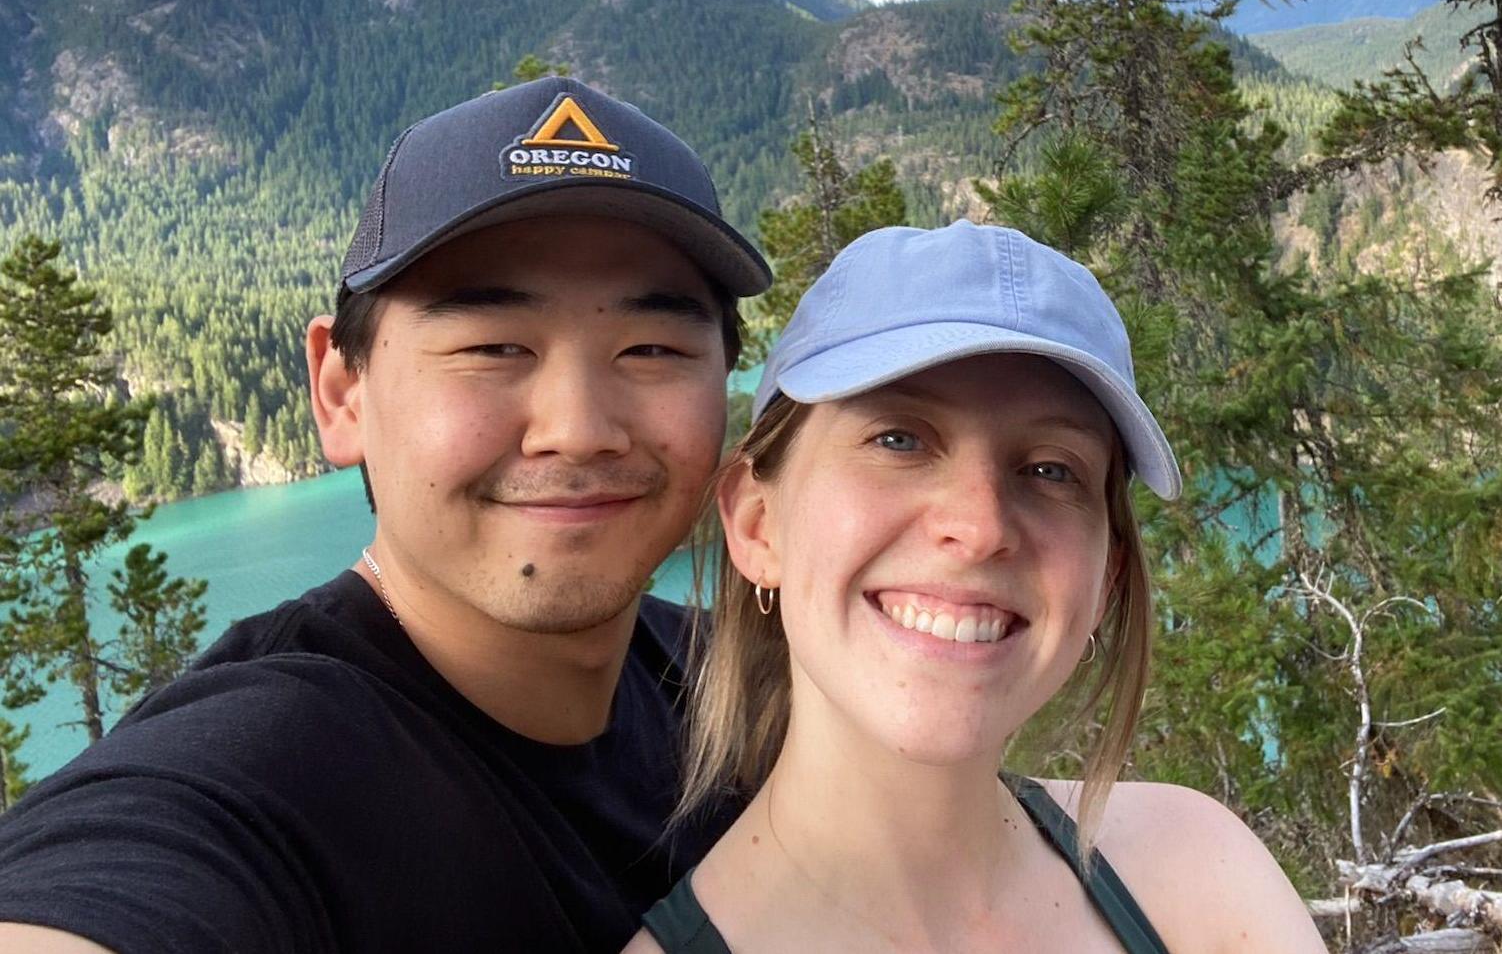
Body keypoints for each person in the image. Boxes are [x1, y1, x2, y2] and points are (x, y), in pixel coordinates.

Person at [0, 76, 771, 954]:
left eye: (653, 349)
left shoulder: (732, 682)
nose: (578, 430)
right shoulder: (266, 769)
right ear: (341, 392)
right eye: (492, 348)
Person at [628, 221, 1326, 954]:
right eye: (899, 438)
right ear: (758, 522)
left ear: (1105, 575)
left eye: (1052, 468)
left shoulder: (1199, 874)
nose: (981, 524)